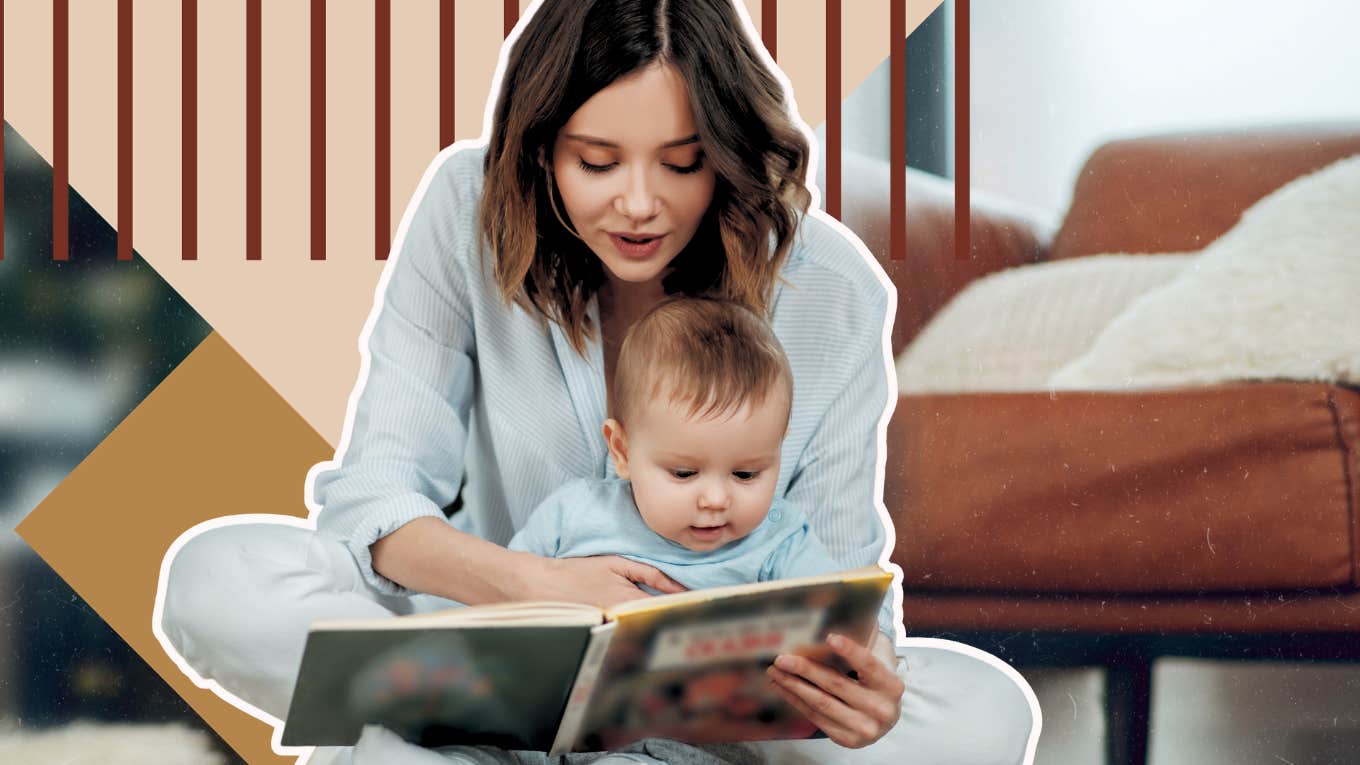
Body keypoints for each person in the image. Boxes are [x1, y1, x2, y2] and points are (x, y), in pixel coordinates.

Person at [159, 1, 1034, 763]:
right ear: (541, 153)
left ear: (727, 151)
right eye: (598, 162)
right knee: (214, 577)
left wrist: (860, 687)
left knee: (984, 712)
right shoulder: (467, 212)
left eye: (682, 162)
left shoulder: (831, 289)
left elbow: (843, 584)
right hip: (488, 650)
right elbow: (376, 502)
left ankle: (414, 740)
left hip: (717, 713)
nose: (641, 204)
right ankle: (456, 729)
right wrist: (536, 587)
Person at [507, 296, 900, 650]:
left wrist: (858, 640)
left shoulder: (780, 542)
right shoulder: (572, 515)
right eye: (683, 473)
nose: (715, 499)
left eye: (746, 474)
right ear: (622, 451)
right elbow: (499, 606)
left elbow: (847, 621)